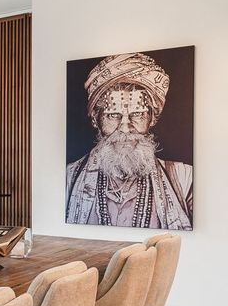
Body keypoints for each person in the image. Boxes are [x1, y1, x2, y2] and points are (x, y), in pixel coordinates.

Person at [66, 52, 193, 230]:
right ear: (95, 119)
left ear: (152, 118)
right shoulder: (68, 179)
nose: (125, 128)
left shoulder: (185, 179)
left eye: (138, 114)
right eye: (113, 115)